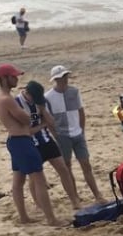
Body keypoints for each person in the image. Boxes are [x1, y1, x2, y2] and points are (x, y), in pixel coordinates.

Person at [0, 63, 61, 227]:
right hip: (21, 141)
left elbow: (24, 119)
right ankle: (51, 219)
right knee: (38, 179)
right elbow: (26, 119)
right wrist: (27, 115)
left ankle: (23, 217)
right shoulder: (7, 99)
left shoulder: (0, 96)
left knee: (18, 181)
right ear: (4, 78)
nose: (17, 79)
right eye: (13, 76)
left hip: (15, 140)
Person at [15, 81, 81, 210]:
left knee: (63, 169)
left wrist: (43, 109)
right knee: (34, 177)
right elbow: (26, 131)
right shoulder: (16, 103)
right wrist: (42, 125)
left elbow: (51, 122)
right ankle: (39, 204)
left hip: (45, 140)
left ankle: (74, 200)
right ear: (27, 93)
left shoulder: (40, 101)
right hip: (30, 144)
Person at [45, 66, 104, 202]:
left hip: (77, 133)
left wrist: (82, 130)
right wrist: (56, 135)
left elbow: (81, 112)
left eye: (65, 76)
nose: (65, 79)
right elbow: (49, 120)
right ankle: (75, 196)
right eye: (61, 77)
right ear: (56, 79)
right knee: (67, 167)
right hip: (62, 135)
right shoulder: (48, 97)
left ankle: (97, 194)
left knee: (86, 164)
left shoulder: (74, 91)